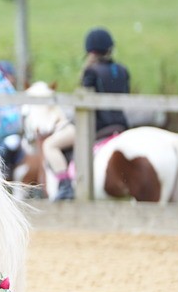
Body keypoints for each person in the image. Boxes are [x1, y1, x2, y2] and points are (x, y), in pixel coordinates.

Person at [44, 27, 131, 200]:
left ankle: (65, 185)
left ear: (90, 50)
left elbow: (83, 102)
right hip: (120, 125)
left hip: (96, 126)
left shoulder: (91, 71)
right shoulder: (123, 70)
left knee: (50, 145)